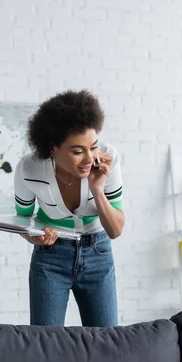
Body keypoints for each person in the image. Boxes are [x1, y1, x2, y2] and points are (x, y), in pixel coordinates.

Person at [14, 89, 124, 327]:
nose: (89, 158)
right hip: (51, 257)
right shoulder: (29, 169)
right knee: (46, 344)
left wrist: (97, 188)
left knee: (107, 344)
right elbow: (22, 219)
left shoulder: (107, 160)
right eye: (77, 151)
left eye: (93, 147)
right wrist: (35, 236)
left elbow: (115, 230)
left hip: (99, 254)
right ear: (53, 148)